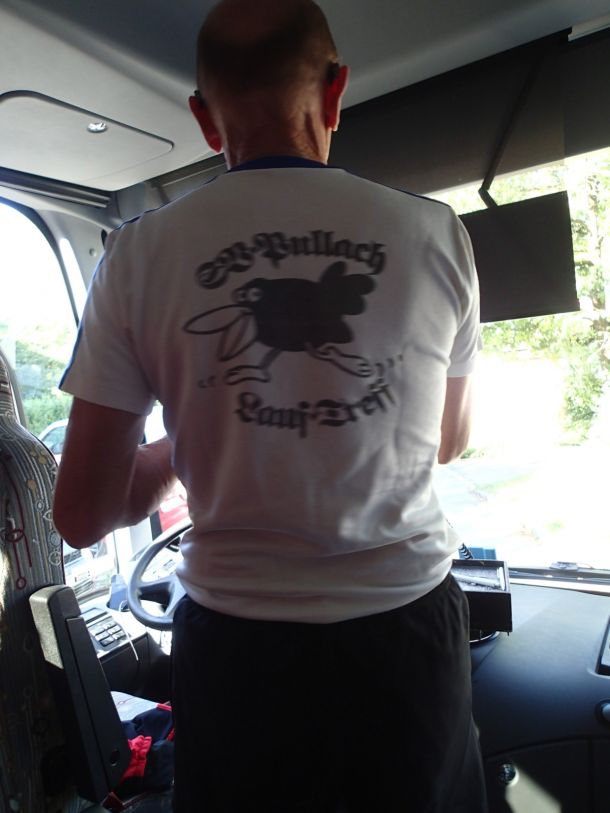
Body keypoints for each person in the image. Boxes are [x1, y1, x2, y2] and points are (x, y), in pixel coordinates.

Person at [53, 0, 487, 810]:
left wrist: (198, 439)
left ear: (203, 119)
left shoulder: (136, 254)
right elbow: (447, 439)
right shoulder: (437, 233)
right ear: (335, 92)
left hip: (236, 655)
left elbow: (81, 514)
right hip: (406, 639)